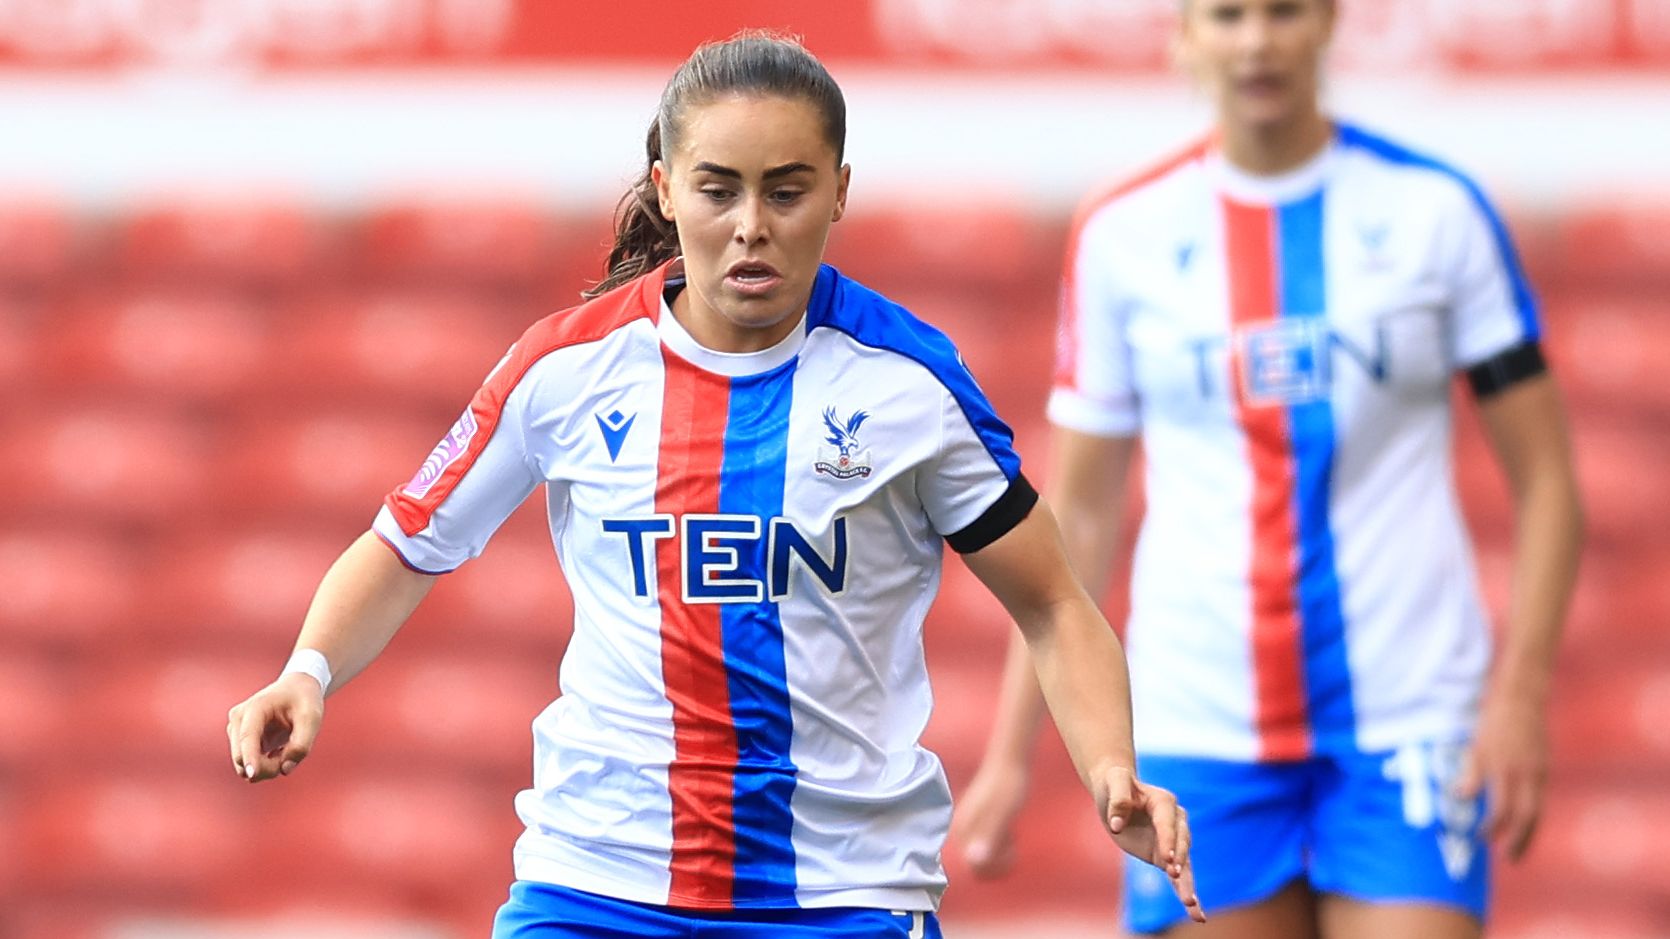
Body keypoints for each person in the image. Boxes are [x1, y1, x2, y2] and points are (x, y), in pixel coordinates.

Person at [224, 31, 1205, 939]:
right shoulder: (564, 369)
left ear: (838, 192)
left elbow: (1053, 602)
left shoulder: (910, 384)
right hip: (595, 877)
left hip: (840, 891)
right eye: (717, 190)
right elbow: (406, 545)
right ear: (665, 189)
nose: (750, 227)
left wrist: (1109, 767)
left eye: (786, 191)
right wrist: (306, 671)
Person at [952, 1, 1583, 938]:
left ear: (1327, 21)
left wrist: (1521, 696)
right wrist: (1011, 757)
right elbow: (1074, 519)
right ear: (1186, 34)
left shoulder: (1438, 212)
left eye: (1283, 10)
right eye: (1227, 14)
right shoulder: (1123, 232)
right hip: (1200, 724)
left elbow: (1549, 484)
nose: (1256, 41)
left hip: (1408, 718)